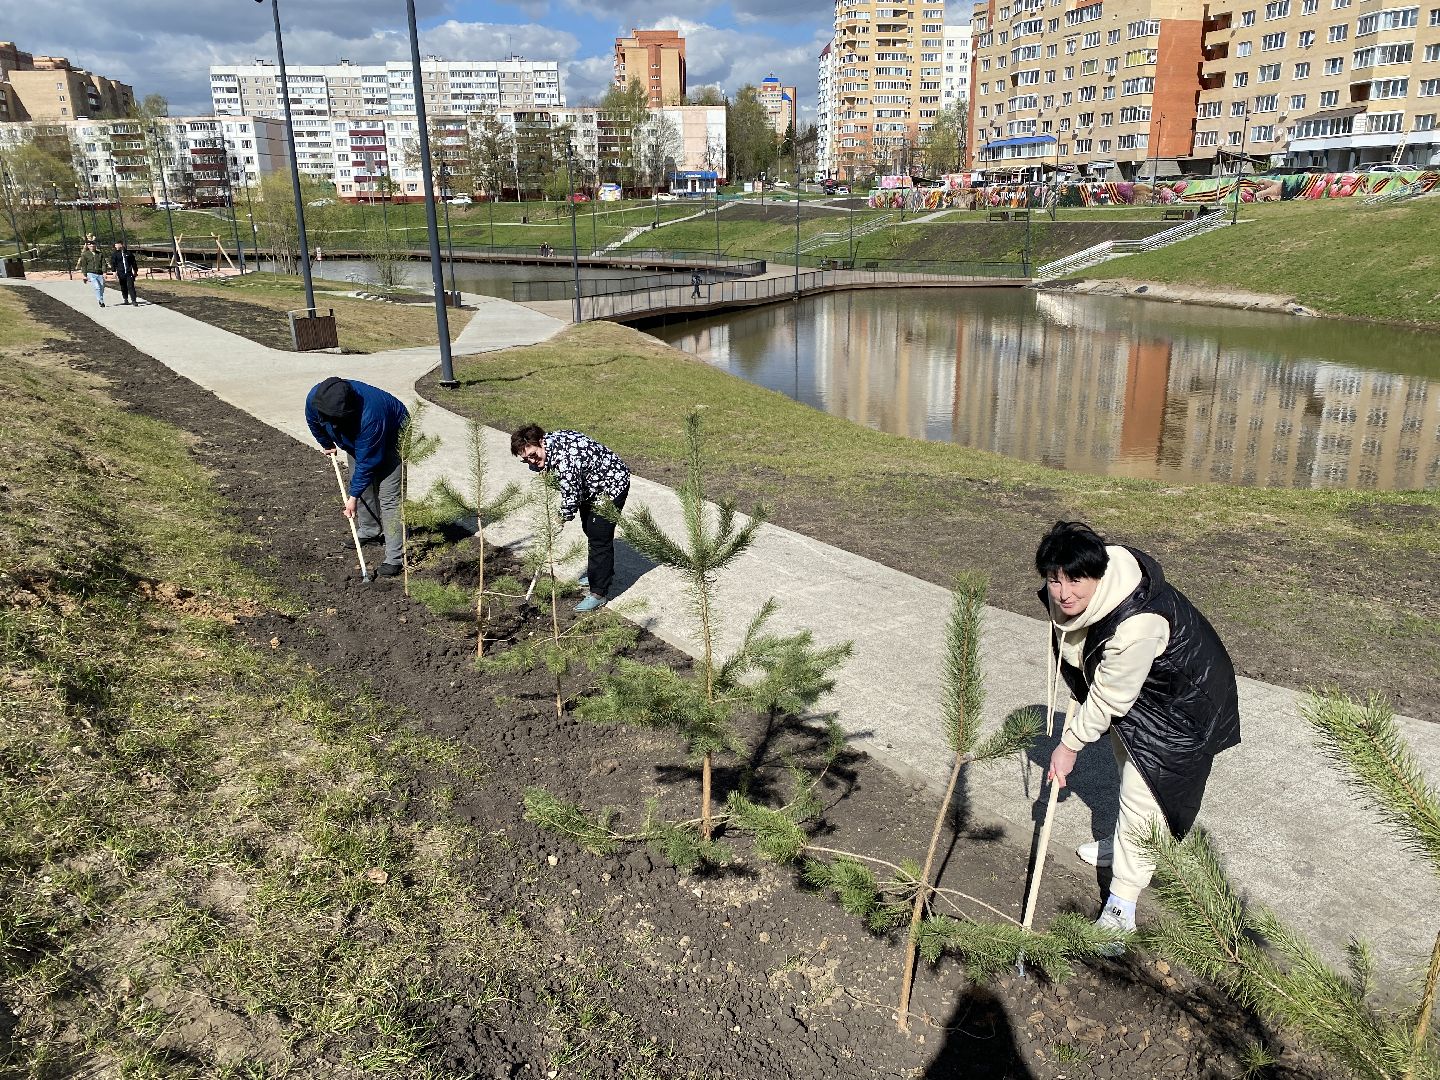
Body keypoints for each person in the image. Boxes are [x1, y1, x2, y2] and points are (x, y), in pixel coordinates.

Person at [1037, 521, 1240, 950]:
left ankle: (1122, 906)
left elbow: (1111, 698)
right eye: (1055, 578)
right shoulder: (1091, 598)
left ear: (1099, 573)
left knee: (1144, 794)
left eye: (1076, 579)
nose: (1064, 591)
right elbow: (1096, 667)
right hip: (1143, 690)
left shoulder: (1136, 624)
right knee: (1125, 761)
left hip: (1184, 705)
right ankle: (1122, 843)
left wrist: (1069, 746)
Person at [510, 424, 630, 612]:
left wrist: (560, 519)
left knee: (599, 534)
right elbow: (558, 476)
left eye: (533, 455)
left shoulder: (567, 460)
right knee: (589, 527)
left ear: (541, 442)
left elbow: (571, 497)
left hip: (611, 485)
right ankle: (600, 573)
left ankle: (599, 592)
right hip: (590, 485)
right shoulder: (547, 443)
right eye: (526, 460)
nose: (532, 462)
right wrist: (537, 464)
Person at [304, 377, 410, 578]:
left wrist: (351, 499)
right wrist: (326, 442)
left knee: (389, 497)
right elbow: (313, 421)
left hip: (393, 434)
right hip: (356, 434)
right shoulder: (316, 398)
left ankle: (395, 557)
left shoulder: (371, 417)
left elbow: (367, 463)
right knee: (359, 484)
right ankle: (369, 531)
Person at [77, 238, 107, 307]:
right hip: (91, 273)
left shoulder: (99, 254)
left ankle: (101, 298)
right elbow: (84, 265)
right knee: (97, 287)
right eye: (90, 246)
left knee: (102, 287)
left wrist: (104, 272)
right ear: (88, 246)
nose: (92, 247)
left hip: (99, 273)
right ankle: (100, 301)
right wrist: (84, 275)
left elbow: (103, 263)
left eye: (93, 246)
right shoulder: (85, 254)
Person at [110, 240, 138, 306]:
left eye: (117, 244)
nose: (115, 246)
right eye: (115, 245)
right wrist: (114, 272)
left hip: (129, 273)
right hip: (121, 273)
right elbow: (113, 263)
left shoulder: (128, 253)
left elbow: (133, 262)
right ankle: (125, 299)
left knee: (131, 286)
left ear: (121, 245)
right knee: (123, 286)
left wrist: (135, 271)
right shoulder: (115, 254)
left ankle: (134, 300)